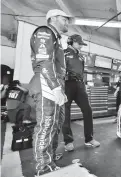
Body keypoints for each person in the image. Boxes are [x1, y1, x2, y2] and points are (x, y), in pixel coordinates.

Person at [28, 9, 70, 176]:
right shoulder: (44, 32)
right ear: (52, 18)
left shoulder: (57, 38)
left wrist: (60, 88)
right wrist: (56, 88)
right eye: (64, 18)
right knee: (46, 126)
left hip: (54, 83)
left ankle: (49, 157)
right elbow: (45, 61)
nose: (67, 22)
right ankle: (43, 168)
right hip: (46, 83)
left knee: (55, 124)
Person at [62, 34, 100, 152]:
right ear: (71, 42)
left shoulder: (81, 57)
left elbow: (82, 71)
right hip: (67, 85)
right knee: (66, 113)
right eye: (79, 44)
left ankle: (89, 139)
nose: (81, 46)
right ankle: (68, 141)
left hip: (80, 85)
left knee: (87, 110)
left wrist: (83, 84)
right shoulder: (63, 53)